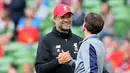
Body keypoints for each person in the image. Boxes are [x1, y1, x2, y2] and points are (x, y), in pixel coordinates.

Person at [35, 4, 82, 73]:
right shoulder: (45, 40)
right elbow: (39, 69)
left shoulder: (79, 40)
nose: (66, 20)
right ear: (54, 19)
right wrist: (58, 61)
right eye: (62, 17)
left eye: (69, 16)